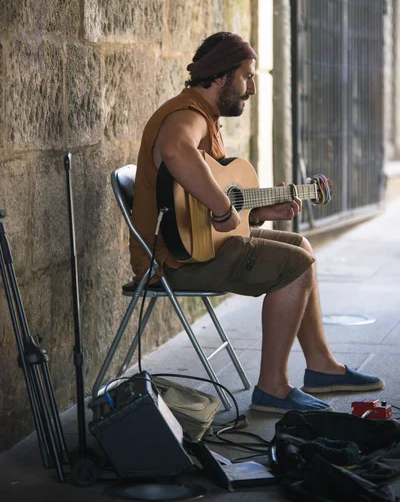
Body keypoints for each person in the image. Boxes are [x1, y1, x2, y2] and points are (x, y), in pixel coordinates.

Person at [130, 31, 384, 414]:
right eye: (246, 76)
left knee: (300, 246)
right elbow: (175, 151)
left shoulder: (206, 118)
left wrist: (261, 213)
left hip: (192, 250)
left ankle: (320, 365)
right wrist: (220, 207)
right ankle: (272, 389)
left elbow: (199, 205)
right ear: (220, 77)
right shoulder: (187, 114)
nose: (250, 88)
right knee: (295, 266)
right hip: (172, 264)